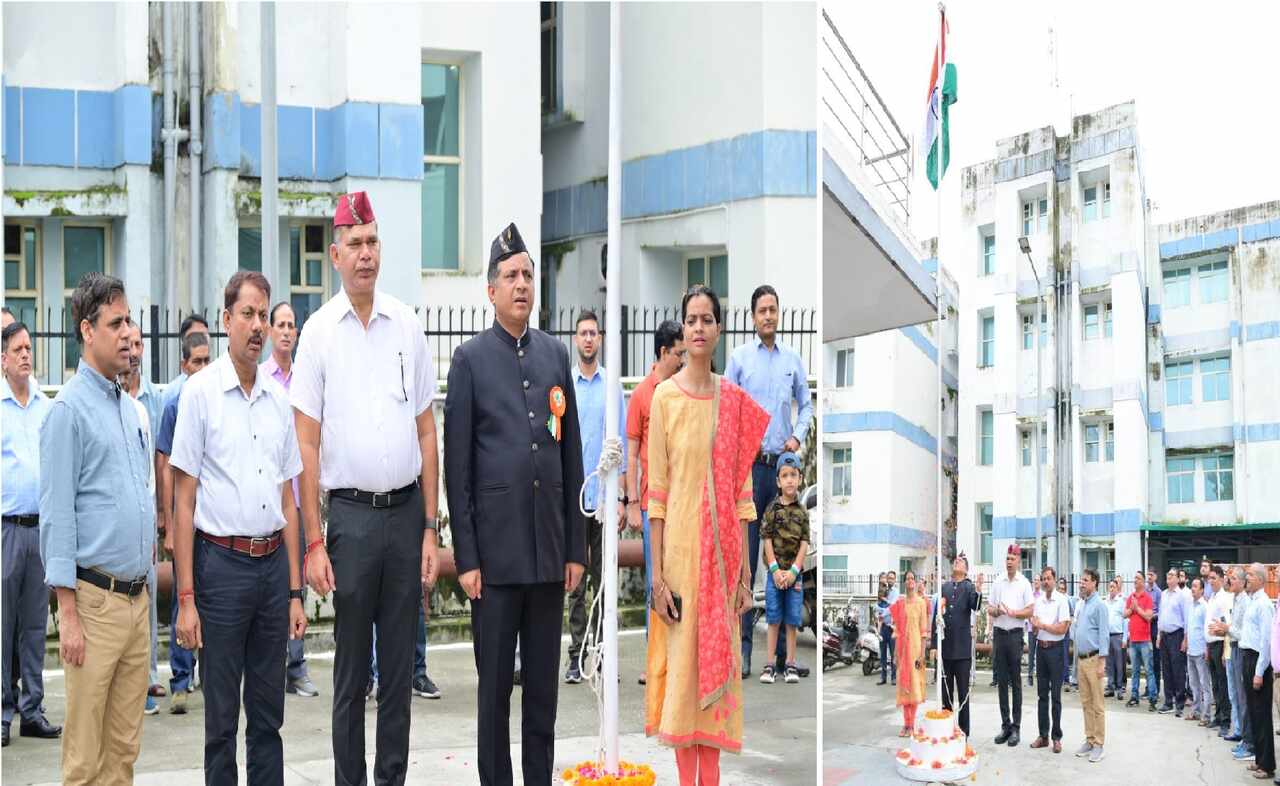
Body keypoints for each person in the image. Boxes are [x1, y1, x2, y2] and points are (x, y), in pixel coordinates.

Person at [294, 192, 441, 786]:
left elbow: (427, 431)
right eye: (354, 243)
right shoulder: (317, 333)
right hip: (350, 521)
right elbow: (305, 445)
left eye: (373, 241)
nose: (366, 254)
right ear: (335, 255)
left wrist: (431, 528)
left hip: (406, 515)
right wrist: (313, 541)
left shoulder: (406, 323)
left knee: (400, 675)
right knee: (352, 675)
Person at [444, 222, 585, 786]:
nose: (522, 284)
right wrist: (467, 558)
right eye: (510, 275)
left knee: (543, 694)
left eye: (527, 274)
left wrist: (575, 548)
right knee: (495, 693)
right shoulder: (470, 360)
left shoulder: (555, 354)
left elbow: (571, 456)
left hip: (548, 555)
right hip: (495, 563)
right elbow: (458, 469)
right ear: (491, 290)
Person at [170, 271, 308, 785]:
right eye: (247, 314)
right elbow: (183, 502)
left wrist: (294, 592)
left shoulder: (278, 400)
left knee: (269, 719)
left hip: (271, 572)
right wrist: (186, 599)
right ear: (226, 320)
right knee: (222, 720)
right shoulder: (200, 394)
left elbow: (289, 500)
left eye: (264, 316)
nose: (257, 326)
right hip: (221, 570)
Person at [645, 285, 768, 786]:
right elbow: (656, 495)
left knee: (715, 688)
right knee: (683, 683)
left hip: (721, 564)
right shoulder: (664, 398)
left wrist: (744, 575)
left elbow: (743, 497)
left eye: (707, 319)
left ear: (719, 329)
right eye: (691, 320)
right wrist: (656, 577)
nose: (698, 328)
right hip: (678, 560)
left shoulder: (733, 402)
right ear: (682, 329)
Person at [39, 273, 155, 785]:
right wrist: (68, 614)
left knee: (123, 753)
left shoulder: (128, 409)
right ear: (87, 331)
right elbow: (57, 515)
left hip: (135, 602)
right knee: (85, 760)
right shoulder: (67, 411)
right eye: (115, 323)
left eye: (128, 320)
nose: (127, 332)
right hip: (93, 606)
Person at [725, 284, 813, 678]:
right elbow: (726, 408)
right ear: (753, 316)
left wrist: (797, 436)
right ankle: (743, 648)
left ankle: (781, 657)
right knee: (745, 556)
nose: (768, 316)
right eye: (762, 310)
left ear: (779, 314)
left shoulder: (792, 360)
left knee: (782, 555)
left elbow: (806, 405)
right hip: (749, 467)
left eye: (773, 309)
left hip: (781, 470)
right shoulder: (740, 359)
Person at [1, 321, 61, 747]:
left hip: (40, 530)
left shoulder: (45, 407)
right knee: (4, 626)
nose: (26, 354)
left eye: (28, 348)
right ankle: (3, 713)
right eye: (18, 349)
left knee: (35, 627)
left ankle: (32, 710)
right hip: (6, 529)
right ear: (3, 359)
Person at [261, 302, 322, 700]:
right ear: (270, 331)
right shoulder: (261, 380)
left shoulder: (304, 381)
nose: (286, 331)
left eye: (291, 325)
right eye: (280, 325)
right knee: (271, 585)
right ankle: (270, 665)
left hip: (301, 500)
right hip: (270, 499)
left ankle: (296, 666)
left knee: (297, 584)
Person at [565, 309, 627, 685]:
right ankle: (576, 656)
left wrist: (621, 498)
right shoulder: (566, 385)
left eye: (593, 333)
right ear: (576, 340)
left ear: (600, 339)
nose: (588, 339)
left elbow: (620, 443)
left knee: (604, 581)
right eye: (583, 333)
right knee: (574, 582)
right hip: (575, 497)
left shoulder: (611, 387)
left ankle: (602, 653)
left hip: (604, 499)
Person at [625, 319, 685, 685]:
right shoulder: (642, 395)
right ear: (663, 353)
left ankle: (677, 659)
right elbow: (631, 454)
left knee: (680, 578)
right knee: (656, 581)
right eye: (678, 353)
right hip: (652, 504)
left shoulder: (683, 389)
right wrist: (632, 501)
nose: (683, 359)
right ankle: (655, 662)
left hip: (682, 503)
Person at [155, 330, 212, 714]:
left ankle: (211, 677)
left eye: (208, 360)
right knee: (182, 598)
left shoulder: (218, 401)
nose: (203, 368)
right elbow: (165, 466)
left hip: (215, 522)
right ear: (184, 365)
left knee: (214, 602)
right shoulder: (175, 405)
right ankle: (179, 679)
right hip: (185, 518)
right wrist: (170, 523)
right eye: (197, 362)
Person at [121, 323, 166, 713]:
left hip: (146, 516)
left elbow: (159, 463)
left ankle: (148, 678)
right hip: (118, 521)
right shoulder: (110, 397)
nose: (133, 350)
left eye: (138, 343)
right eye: (128, 343)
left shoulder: (154, 401)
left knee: (147, 596)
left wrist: (161, 513)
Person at [758, 452, 809, 685]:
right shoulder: (771, 509)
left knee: (792, 621)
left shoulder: (802, 512)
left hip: (794, 577)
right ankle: (769, 664)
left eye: (793, 475)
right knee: (773, 619)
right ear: (778, 481)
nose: (789, 479)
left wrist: (794, 571)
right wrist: (776, 570)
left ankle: (790, 663)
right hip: (775, 575)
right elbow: (767, 539)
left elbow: (804, 543)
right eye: (785, 475)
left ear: (800, 479)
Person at [987, 544, 1035, 747]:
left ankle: (1016, 727)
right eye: (1007, 558)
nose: (1009, 562)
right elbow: (989, 607)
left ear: (1018, 561)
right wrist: (997, 611)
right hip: (1000, 634)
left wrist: (1015, 613)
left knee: (1015, 682)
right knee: (1002, 682)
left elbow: (1030, 610)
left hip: (1015, 636)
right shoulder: (998, 581)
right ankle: (1005, 725)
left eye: (1012, 559)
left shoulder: (1024, 583)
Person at [938, 553, 983, 738]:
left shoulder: (968, 586)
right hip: (946, 647)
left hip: (962, 650)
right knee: (946, 693)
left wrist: (978, 590)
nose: (957, 561)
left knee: (963, 694)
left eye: (961, 561)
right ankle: (946, 728)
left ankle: (964, 732)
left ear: (966, 569)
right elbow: (938, 616)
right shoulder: (945, 587)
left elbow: (976, 606)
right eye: (956, 560)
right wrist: (935, 646)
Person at [1238, 563, 1275, 780]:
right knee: (1253, 712)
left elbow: (1266, 641)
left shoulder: (1264, 604)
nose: (1247, 578)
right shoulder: (1252, 601)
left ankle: (1267, 765)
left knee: (1262, 715)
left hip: (1257, 660)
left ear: (1261, 579)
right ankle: (1260, 759)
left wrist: (1259, 672)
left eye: (1250, 575)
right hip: (1247, 657)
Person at [1028, 566, 1069, 754]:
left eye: (1048, 578)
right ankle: (1043, 736)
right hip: (1041, 650)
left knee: (1056, 697)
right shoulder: (1038, 601)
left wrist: (1043, 625)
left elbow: (1062, 629)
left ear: (1054, 580)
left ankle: (1056, 737)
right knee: (1042, 695)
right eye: (1043, 578)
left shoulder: (1062, 600)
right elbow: (1035, 627)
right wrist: (1036, 626)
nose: (1045, 581)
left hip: (1056, 650)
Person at [1071, 568, 1110, 763]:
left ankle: (1099, 745)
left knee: (1097, 705)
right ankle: (1089, 739)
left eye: (1085, 580)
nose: (1082, 583)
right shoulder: (1083, 604)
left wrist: (1102, 662)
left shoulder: (1100, 605)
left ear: (1094, 582)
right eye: (1081, 580)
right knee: (1086, 703)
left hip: (1094, 661)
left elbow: (1104, 635)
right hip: (1081, 660)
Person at [888, 571, 931, 737]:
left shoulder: (922, 603)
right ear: (904, 582)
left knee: (914, 687)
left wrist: (922, 654)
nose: (910, 581)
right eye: (907, 578)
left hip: (916, 650)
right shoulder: (900, 603)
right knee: (904, 687)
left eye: (912, 578)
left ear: (915, 582)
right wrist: (895, 654)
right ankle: (905, 724)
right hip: (902, 650)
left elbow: (924, 631)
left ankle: (911, 724)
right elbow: (897, 630)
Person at [1228, 566, 1255, 759]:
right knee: (1238, 696)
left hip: (1242, 649)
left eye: (1233, 578)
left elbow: (1242, 633)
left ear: (1242, 581)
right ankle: (1244, 737)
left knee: (1244, 698)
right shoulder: (1236, 599)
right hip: (1234, 648)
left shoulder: (1246, 601)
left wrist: (1226, 629)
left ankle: (1248, 742)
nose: (1229, 581)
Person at [1157, 567, 1190, 716]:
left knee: (1178, 670)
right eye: (1167, 575)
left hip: (1177, 635)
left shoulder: (1182, 596)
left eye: (1171, 575)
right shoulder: (1164, 594)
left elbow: (1186, 618)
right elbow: (1161, 615)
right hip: (1164, 635)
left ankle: (1180, 702)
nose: (1168, 577)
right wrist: (1159, 635)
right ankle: (1168, 701)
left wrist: (1185, 639)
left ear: (1177, 578)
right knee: (1166, 670)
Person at [1123, 569, 1157, 711]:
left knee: (1149, 670)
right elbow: (1124, 614)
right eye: (1134, 578)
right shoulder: (1130, 597)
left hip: (1144, 640)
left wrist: (1137, 608)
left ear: (1143, 582)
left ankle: (1153, 699)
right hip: (1133, 640)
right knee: (1135, 671)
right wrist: (1132, 609)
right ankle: (1134, 697)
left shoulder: (1148, 598)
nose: (1135, 580)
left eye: (1137, 578)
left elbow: (1149, 616)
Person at [1205, 564, 1233, 732]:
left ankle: (1225, 720)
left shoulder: (1224, 598)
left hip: (1220, 644)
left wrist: (1224, 650)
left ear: (1222, 580)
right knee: (1215, 683)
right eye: (1209, 578)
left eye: (1214, 578)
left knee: (1223, 684)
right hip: (1211, 644)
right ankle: (1218, 716)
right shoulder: (1212, 597)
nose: (1211, 581)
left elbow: (1225, 624)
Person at [1186, 577, 1211, 724]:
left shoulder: (1204, 607)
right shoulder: (1191, 605)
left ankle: (1206, 715)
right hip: (1191, 650)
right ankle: (1196, 711)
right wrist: (1186, 642)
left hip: (1201, 651)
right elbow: (1189, 627)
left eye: (1196, 586)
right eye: (1192, 586)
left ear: (1202, 590)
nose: (1193, 589)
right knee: (1194, 684)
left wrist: (1207, 648)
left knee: (1204, 685)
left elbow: (1207, 630)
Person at [1103, 578, 1126, 698]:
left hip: (1118, 635)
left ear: (1117, 589)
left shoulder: (1121, 602)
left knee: (1119, 663)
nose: (1111, 589)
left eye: (1114, 587)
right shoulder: (1105, 602)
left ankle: (1119, 687)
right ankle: (1110, 686)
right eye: (1110, 586)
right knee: (1109, 663)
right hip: (1107, 636)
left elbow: (1125, 620)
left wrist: (1125, 638)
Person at [1147, 570, 1163, 697]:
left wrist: (1153, 615)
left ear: (1156, 577)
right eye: (1148, 575)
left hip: (1154, 625)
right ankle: (1148, 688)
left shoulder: (1158, 592)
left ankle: (1156, 688)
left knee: (1155, 659)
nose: (1149, 577)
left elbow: (1161, 611)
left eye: (1151, 575)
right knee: (1147, 659)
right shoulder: (1144, 591)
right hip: (1145, 626)